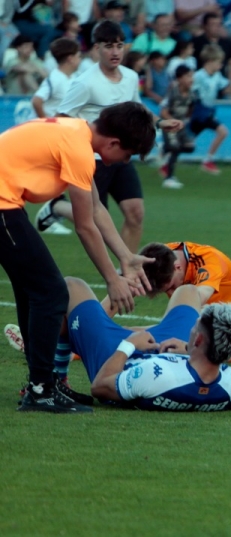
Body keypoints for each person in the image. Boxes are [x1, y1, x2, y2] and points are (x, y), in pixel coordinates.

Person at [2, 102, 157, 413]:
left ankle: (42, 383)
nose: (123, 162)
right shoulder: (79, 150)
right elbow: (85, 226)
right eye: (126, 156)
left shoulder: (75, 132)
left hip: (6, 204)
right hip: (3, 206)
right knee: (51, 292)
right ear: (113, 143)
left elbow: (96, 207)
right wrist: (113, 281)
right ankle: (41, 389)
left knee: (34, 290)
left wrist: (126, 257)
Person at [39, 21, 184, 253]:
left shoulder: (129, 76)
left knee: (136, 213)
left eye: (119, 45)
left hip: (119, 156)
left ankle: (126, 273)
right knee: (94, 220)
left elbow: (137, 107)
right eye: (108, 46)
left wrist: (159, 122)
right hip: (92, 159)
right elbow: (61, 118)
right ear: (97, 49)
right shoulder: (85, 83)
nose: (115, 52)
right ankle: (57, 208)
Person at [61, 278, 231, 412]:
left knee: (72, 286)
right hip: (177, 355)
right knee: (188, 291)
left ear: (199, 340)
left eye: (195, 327)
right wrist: (187, 348)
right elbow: (214, 367)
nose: (192, 329)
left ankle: (58, 379)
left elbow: (99, 387)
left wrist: (130, 343)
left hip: (115, 358)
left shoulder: (156, 374)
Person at [188, 44, 231, 176]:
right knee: (186, 142)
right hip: (199, 112)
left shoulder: (217, 75)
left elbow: (225, 87)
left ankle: (208, 160)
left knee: (222, 132)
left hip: (208, 112)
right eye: (219, 62)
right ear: (210, 61)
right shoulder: (198, 76)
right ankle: (166, 159)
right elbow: (189, 90)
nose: (220, 65)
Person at [31, 38, 82, 121]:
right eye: (78, 56)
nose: (80, 60)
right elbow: (36, 101)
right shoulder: (55, 79)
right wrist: (46, 122)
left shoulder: (75, 77)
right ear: (70, 59)